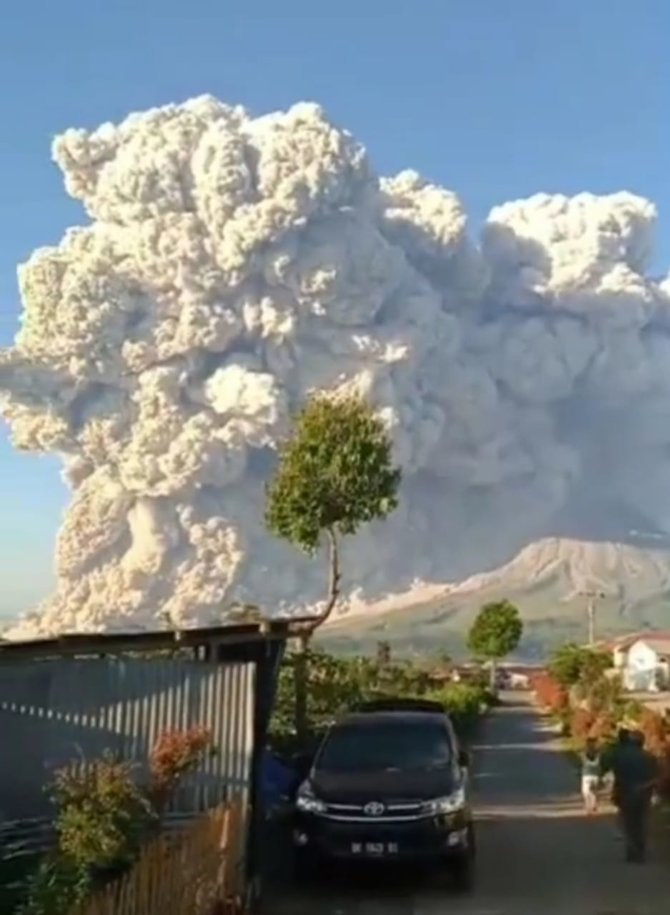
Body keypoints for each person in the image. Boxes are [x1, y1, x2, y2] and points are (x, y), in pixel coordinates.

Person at [603, 728, 659, 863]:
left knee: (629, 823)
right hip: (644, 794)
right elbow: (655, 777)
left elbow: (614, 772)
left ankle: (632, 851)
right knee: (642, 822)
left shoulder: (620, 755)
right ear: (642, 742)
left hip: (626, 792)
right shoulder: (649, 757)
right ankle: (640, 851)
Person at [580, 737, 602, 814]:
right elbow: (598, 762)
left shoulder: (584, 752)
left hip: (586, 774)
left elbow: (583, 762)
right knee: (594, 791)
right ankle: (594, 804)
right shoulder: (598, 753)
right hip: (595, 774)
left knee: (585, 791)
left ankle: (587, 806)